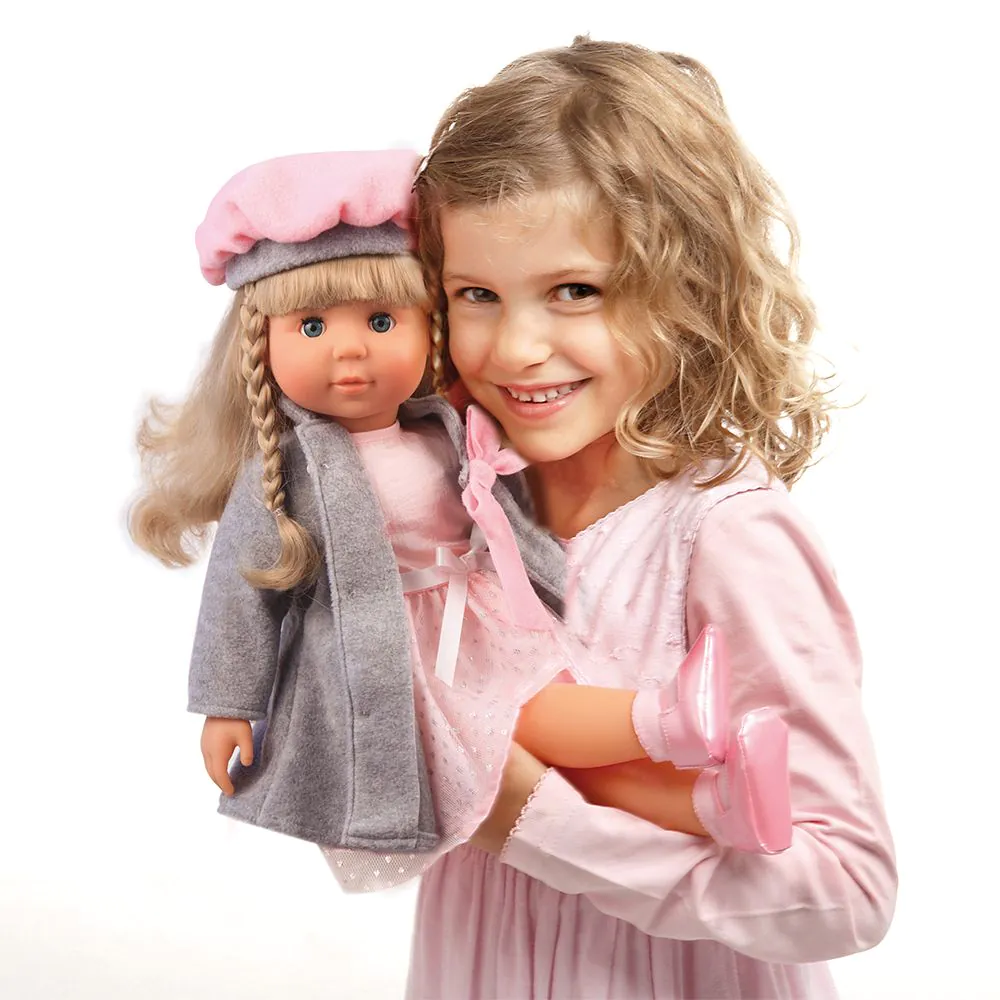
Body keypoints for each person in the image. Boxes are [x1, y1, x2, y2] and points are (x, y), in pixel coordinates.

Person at [127, 150, 788, 896]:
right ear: (262, 344)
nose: (350, 348)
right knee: (526, 738)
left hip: (478, 619)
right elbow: (239, 596)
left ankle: (708, 799)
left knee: (548, 733)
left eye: (382, 321)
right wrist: (229, 704)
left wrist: (549, 571)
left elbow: (502, 516)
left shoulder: (439, 427)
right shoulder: (287, 472)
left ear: (427, 328)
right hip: (388, 659)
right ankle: (669, 724)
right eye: (310, 326)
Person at [409, 37, 897, 997]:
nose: (516, 347)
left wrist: (531, 821)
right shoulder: (465, 504)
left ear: (686, 289)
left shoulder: (726, 536)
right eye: (477, 295)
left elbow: (848, 892)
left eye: (575, 291)